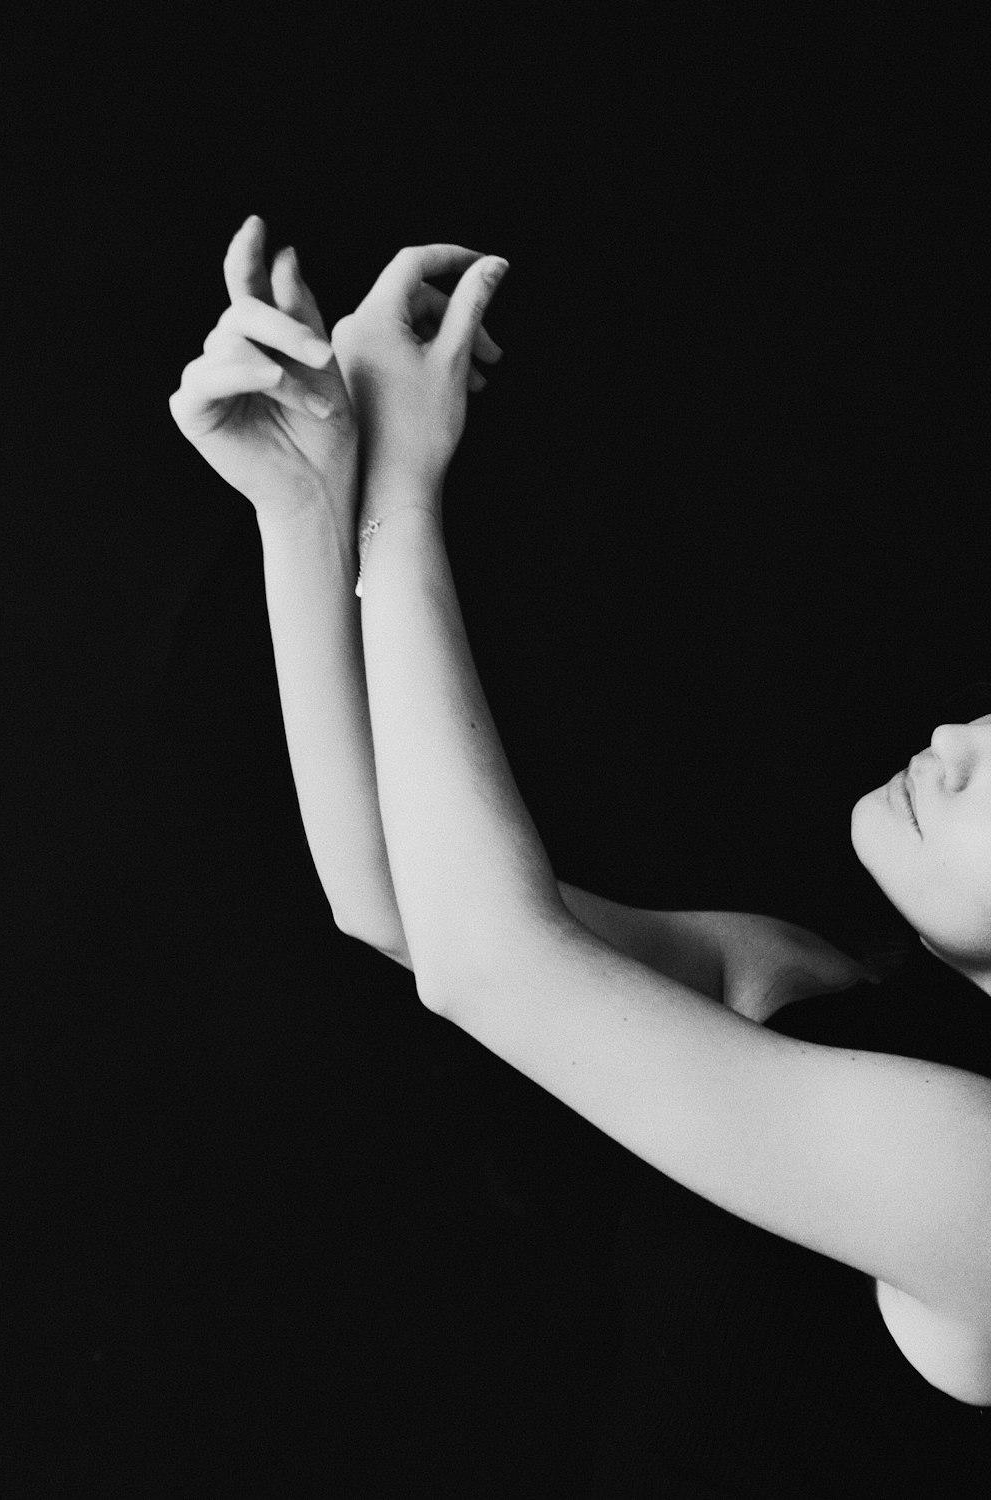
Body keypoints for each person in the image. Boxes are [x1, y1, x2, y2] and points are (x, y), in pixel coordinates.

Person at [170, 216, 991, 1493]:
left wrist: (402, 486)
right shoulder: (810, 984)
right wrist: (309, 501)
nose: (951, 737)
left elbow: (490, 966)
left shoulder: (978, 1180)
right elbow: (399, 905)